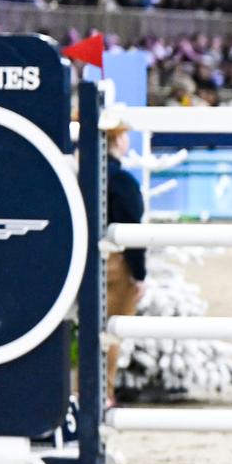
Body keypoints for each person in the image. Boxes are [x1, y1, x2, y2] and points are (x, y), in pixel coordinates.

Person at [102, 112, 145, 400]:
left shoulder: (84, 173)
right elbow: (133, 231)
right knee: (109, 333)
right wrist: (139, 273)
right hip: (115, 262)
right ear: (117, 139)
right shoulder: (121, 181)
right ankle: (103, 394)